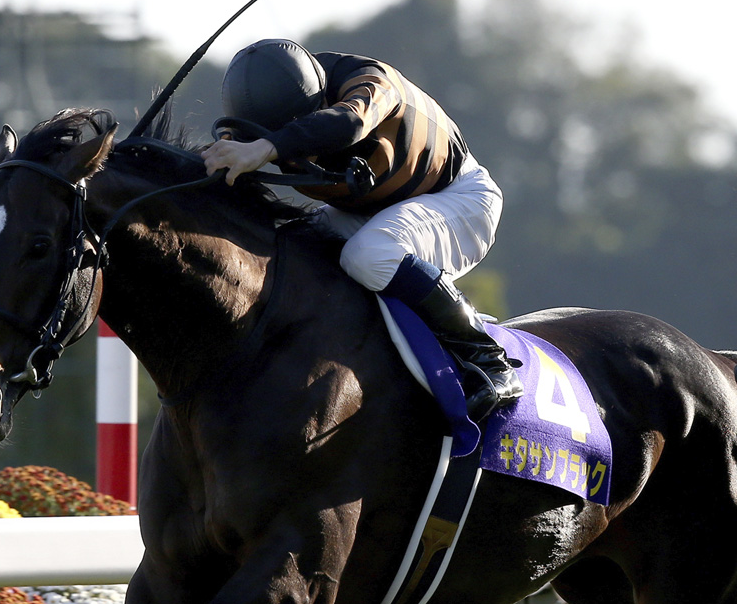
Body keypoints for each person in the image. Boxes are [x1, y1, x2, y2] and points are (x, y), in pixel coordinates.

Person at [199, 38, 522, 420]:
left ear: (320, 99)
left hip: (460, 198)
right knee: (292, 244)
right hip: (376, 210)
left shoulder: (372, 82)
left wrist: (269, 146)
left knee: (367, 254)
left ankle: (489, 360)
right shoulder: (267, 106)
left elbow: (349, 122)